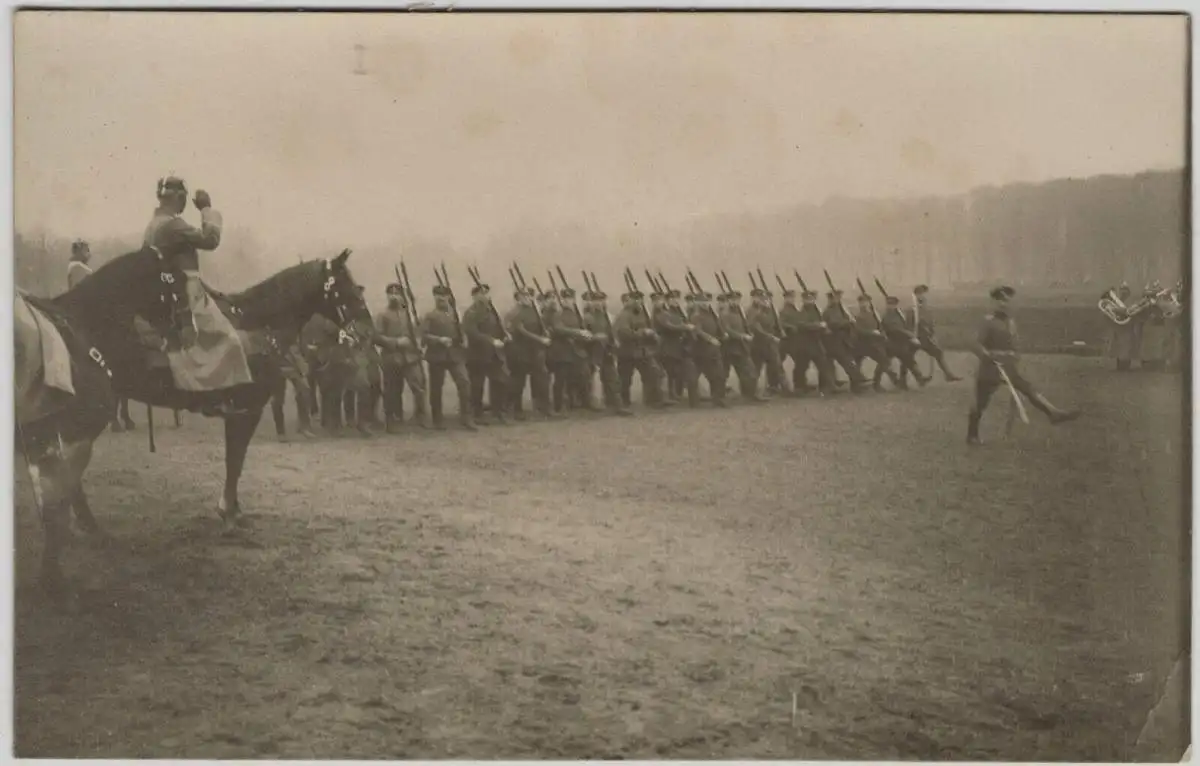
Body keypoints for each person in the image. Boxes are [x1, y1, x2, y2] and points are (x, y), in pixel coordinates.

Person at [142, 176, 253, 403]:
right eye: (183, 198)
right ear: (178, 197)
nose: (184, 204)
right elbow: (210, 240)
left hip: (167, 291)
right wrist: (206, 209)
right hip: (184, 294)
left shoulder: (152, 226)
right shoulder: (172, 225)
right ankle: (221, 399)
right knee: (231, 340)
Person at [967, 286, 1081, 445]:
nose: (1003, 304)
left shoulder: (1011, 322)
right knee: (981, 402)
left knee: (1028, 388)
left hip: (1008, 367)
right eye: (999, 300)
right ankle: (972, 435)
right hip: (991, 368)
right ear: (993, 302)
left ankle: (1053, 413)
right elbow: (975, 344)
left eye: (1006, 300)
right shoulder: (987, 322)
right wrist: (987, 355)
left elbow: (1014, 345)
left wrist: (1015, 355)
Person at [374, 283, 429, 432]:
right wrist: (396, 342)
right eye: (390, 294)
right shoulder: (382, 315)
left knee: (418, 386)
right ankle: (392, 420)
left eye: (397, 294)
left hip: (411, 357)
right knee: (392, 390)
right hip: (391, 357)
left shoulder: (410, 314)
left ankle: (421, 416)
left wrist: (418, 341)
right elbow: (377, 337)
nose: (394, 296)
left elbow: (420, 331)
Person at [421, 285, 476, 431]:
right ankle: (437, 419)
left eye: (443, 295)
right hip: (436, 355)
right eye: (437, 295)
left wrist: (464, 339)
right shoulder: (430, 315)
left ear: (449, 297)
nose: (441, 298)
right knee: (436, 388)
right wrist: (439, 340)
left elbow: (462, 330)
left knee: (464, 382)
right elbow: (424, 336)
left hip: (455, 354)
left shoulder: (456, 313)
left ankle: (466, 416)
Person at [461, 283, 511, 425]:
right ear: (475, 296)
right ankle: (477, 414)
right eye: (481, 294)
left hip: (494, 353)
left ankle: (498, 412)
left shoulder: (491, 311)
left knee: (499, 381)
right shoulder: (471, 313)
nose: (485, 297)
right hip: (478, 354)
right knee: (477, 385)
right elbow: (471, 332)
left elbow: (497, 327)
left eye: (487, 294)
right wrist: (491, 341)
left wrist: (504, 336)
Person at [504, 288, 554, 419]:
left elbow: (539, 325)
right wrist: (540, 339)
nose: (527, 298)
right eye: (524, 296)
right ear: (518, 298)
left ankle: (544, 408)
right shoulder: (514, 312)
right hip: (519, 350)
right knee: (518, 381)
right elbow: (521, 330)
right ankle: (515, 409)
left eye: (529, 295)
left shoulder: (534, 311)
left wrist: (545, 332)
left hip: (534, 350)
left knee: (542, 378)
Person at [582, 289, 633, 416]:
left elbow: (611, 332)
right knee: (590, 380)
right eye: (596, 301)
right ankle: (590, 404)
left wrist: (614, 342)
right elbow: (582, 336)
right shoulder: (587, 318)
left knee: (612, 379)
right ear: (591, 302)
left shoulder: (606, 316)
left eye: (601, 300)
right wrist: (594, 337)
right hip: (592, 352)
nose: (599, 303)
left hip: (606, 351)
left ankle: (618, 406)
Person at [613, 290, 668, 408]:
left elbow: (648, 327)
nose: (638, 302)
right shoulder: (624, 315)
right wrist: (643, 332)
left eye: (640, 300)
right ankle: (623, 403)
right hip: (627, 352)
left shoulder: (642, 314)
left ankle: (653, 400)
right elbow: (624, 333)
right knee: (625, 379)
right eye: (635, 300)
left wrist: (651, 335)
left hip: (641, 351)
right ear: (630, 301)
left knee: (652, 374)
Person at [779, 288, 834, 396]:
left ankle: (825, 387)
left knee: (822, 364)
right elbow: (801, 325)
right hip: (804, 343)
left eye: (811, 299)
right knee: (801, 366)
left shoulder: (817, 311)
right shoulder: (801, 312)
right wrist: (817, 325)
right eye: (807, 299)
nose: (809, 301)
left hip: (815, 342)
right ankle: (799, 387)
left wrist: (823, 328)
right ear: (803, 300)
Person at [548, 288, 595, 413]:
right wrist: (579, 332)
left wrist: (585, 333)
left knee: (585, 375)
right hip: (562, 351)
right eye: (566, 299)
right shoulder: (558, 314)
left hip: (577, 350)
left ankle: (586, 402)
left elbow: (583, 327)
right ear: (562, 300)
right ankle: (558, 406)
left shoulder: (577, 314)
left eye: (570, 299)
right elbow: (558, 329)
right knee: (561, 379)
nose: (568, 301)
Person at [909, 284, 962, 383]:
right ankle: (906, 380)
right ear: (916, 295)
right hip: (914, 337)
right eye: (920, 294)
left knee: (938, 353)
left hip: (925, 338)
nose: (923, 296)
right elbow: (909, 323)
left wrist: (931, 332)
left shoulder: (926, 308)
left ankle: (948, 375)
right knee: (907, 358)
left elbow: (930, 322)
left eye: (923, 294)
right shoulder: (912, 309)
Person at [719, 291, 765, 402]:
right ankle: (720, 397)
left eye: (737, 300)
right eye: (733, 300)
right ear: (729, 301)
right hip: (729, 348)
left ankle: (750, 394)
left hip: (741, 348)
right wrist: (742, 336)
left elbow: (745, 326)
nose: (735, 302)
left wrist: (748, 333)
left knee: (750, 372)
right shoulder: (725, 314)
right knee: (723, 374)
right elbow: (727, 330)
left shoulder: (740, 313)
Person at [653, 289, 696, 404]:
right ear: (667, 301)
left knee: (675, 372)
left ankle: (675, 394)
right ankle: (669, 395)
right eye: (672, 299)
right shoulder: (662, 313)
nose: (675, 301)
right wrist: (685, 327)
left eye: (677, 299)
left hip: (679, 345)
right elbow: (669, 326)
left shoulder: (679, 312)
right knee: (669, 371)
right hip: (666, 346)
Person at [821, 290, 869, 394]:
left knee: (845, 363)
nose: (838, 299)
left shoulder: (841, 309)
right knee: (846, 362)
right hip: (833, 341)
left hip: (843, 340)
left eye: (839, 297)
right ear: (830, 299)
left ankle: (856, 384)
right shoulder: (829, 311)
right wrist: (848, 323)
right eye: (835, 298)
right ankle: (859, 380)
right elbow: (834, 324)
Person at [686, 291, 728, 408]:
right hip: (700, 351)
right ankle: (693, 402)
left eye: (706, 301)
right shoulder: (696, 316)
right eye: (702, 302)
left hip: (713, 351)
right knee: (693, 378)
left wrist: (723, 334)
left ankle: (718, 399)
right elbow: (698, 331)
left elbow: (717, 326)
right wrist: (710, 339)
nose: (705, 304)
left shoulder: (712, 314)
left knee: (718, 376)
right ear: (697, 303)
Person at [853, 292, 901, 392]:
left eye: (866, 302)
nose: (864, 304)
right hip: (861, 344)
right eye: (862, 302)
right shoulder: (858, 316)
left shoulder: (873, 314)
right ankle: (856, 386)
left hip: (874, 344)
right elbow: (858, 330)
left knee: (884, 361)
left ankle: (877, 384)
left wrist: (882, 334)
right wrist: (872, 332)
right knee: (856, 365)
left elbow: (880, 326)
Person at [746, 289, 790, 397]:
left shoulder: (770, 311)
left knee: (777, 366)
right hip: (758, 344)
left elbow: (776, 324)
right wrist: (770, 337)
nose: (765, 302)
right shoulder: (752, 312)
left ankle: (784, 389)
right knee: (756, 369)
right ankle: (752, 393)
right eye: (763, 300)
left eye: (767, 300)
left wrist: (780, 332)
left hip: (770, 344)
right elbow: (755, 328)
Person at [270, 341, 316, 440]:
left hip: (292, 364)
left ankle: (304, 425)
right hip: (275, 365)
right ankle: (280, 431)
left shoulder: (292, 332)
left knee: (304, 392)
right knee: (277, 399)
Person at [1106, 283, 1137, 372]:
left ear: (1128, 292)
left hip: (1127, 327)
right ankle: (1119, 365)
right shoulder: (1116, 301)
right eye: (1122, 290)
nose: (1123, 292)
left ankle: (1125, 365)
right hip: (1118, 327)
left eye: (1125, 290)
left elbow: (1130, 311)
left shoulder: (1131, 301)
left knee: (1126, 347)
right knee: (1119, 347)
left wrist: (1118, 310)